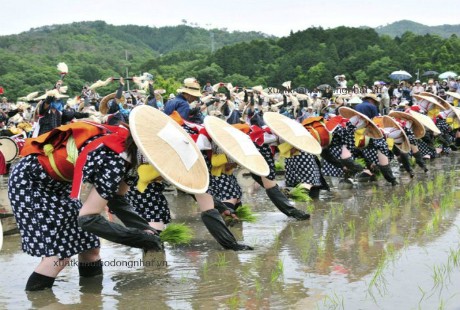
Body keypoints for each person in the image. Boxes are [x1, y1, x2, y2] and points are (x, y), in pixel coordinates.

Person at [8, 117, 165, 291]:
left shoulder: (129, 153)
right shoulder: (115, 159)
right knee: (59, 257)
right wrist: (139, 238)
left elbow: (117, 199)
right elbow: (88, 218)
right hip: (32, 183)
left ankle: (91, 298)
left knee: (90, 249)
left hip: (60, 186)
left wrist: (145, 230)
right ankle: (37, 299)